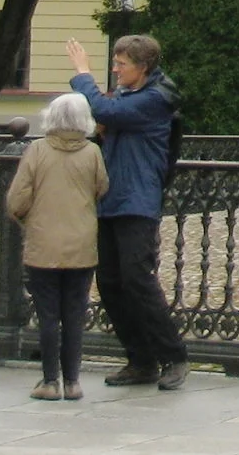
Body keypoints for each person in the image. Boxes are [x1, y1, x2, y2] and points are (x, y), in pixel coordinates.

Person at [65, 34, 188, 391]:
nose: (115, 69)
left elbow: (105, 112)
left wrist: (83, 74)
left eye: (121, 64)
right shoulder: (127, 95)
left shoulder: (156, 98)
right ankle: (140, 360)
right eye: (115, 63)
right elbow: (105, 118)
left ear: (143, 67)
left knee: (137, 278)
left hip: (137, 200)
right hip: (110, 199)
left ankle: (174, 356)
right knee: (110, 282)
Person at [5, 90, 107, 400]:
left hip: (43, 243)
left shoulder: (37, 150)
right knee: (74, 314)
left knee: (48, 315)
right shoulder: (92, 152)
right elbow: (102, 188)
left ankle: (50, 381)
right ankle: (73, 382)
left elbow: (17, 199)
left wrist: (29, 219)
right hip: (81, 244)